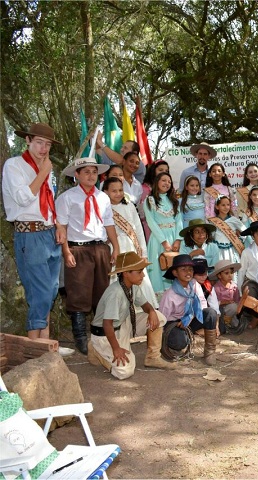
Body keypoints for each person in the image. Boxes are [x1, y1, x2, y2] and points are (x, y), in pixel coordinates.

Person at [2, 123, 63, 340]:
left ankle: (44, 342)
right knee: (40, 292)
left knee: (51, 290)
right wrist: (44, 172)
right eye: (38, 142)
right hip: (29, 233)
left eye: (47, 144)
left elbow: (48, 200)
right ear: (27, 140)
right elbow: (23, 198)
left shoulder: (44, 167)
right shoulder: (14, 165)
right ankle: (35, 345)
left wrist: (57, 225)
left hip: (49, 233)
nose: (43, 149)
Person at [56, 158, 120, 354]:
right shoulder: (67, 198)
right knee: (78, 293)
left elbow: (109, 224)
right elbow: (62, 226)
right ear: (77, 175)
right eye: (86, 172)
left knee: (102, 292)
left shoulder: (103, 198)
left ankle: (99, 335)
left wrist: (115, 247)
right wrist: (66, 251)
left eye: (94, 172)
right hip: (78, 249)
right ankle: (80, 338)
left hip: (100, 248)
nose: (91, 175)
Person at [87, 252, 176, 379]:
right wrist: (116, 348)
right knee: (124, 372)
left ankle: (153, 357)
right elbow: (107, 324)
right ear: (126, 273)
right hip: (106, 334)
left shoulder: (132, 286)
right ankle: (95, 348)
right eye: (139, 272)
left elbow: (146, 305)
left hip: (123, 325)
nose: (143, 275)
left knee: (158, 317)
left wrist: (151, 311)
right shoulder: (115, 293)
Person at [101, 177, 155, 307]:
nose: (118, 193)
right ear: (105, 191)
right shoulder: (102, 208)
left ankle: (141, 308)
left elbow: (139, 230)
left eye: (120, 190)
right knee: (117, 278)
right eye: (114, 191)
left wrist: (143, 252)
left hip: (132, 248)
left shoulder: (129, 205)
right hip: (115, 249)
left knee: (138, 278)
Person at [159, 254, 219, 365]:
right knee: (180, 342)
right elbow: (162, 319)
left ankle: (210, 351)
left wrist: (190, 317)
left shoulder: (195, 284)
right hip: (175, 324)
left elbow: (202, 304)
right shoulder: (170, 294)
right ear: (175, 273)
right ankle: (171, 342)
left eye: (190, 269)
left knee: (210, 313)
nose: (188, 272)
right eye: (183, 269)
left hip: (191, 319)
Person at [144, 172, 183, 293]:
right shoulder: (149, 200)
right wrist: (164, 242)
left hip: (174, 236)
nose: (167, 183)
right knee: (159, 265)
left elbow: (179, 221)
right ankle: (160, 295)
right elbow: (151, 222)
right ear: (157, 182)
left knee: (174, 264)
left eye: (169, 182)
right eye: (164, 180)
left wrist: (178, 239)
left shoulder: (174, 201)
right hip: (158, 238)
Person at [207, 196, 245, 282]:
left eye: (228, 205)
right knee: (219, 270)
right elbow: (211, 236)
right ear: (217, 206)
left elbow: (245, 232)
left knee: (232, 271)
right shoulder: (213, 221)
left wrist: (239, 241)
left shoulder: (234, 220)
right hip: (217, 251)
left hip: (231, 250)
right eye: (223, 205)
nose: (226, 207)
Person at [208, 259, 242, 335]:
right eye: (226, 273)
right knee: (233, 307)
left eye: (231, 272)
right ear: (219, 275)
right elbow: (213, 304)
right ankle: (224, 323)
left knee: (236, 322)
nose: (230, 275)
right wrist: (224, 302)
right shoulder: (216, 288)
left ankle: (228, 322)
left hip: (232, 310)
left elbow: (237, 300)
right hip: (221, 311)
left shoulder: (234, 286)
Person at [139, 160, 169, 240]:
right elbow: (143, 214)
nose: (164, 172)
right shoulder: (144, 189)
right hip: (150, 229)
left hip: (167, 230)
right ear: (153, 171)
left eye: (166, 171)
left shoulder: (169, 190)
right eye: (160, 170)